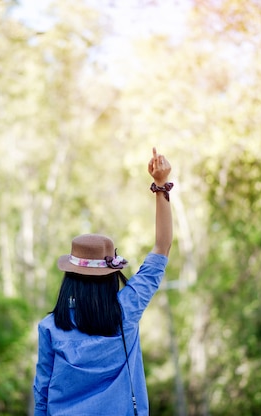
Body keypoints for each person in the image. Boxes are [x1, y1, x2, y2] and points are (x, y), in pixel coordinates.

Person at [32, 147, 173, 416]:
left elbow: (42, 394)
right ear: (112, 276)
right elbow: (162, 247)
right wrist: (159, 184)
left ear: (70, 278)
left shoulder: (50, 328)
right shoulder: (126, 311)